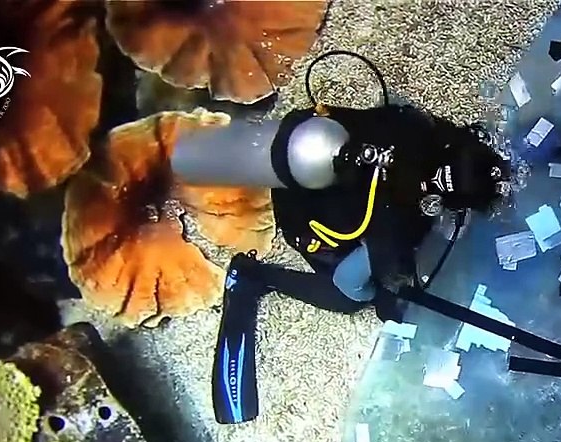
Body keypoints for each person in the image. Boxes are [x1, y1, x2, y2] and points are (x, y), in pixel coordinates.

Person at [172, 97, 510, 321]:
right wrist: (395, 289)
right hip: (302, 218)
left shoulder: (415, 127)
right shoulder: (397, 225)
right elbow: (384, 305)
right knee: (350, 298)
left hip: (306, 144)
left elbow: (376, 116)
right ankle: (255, 275)